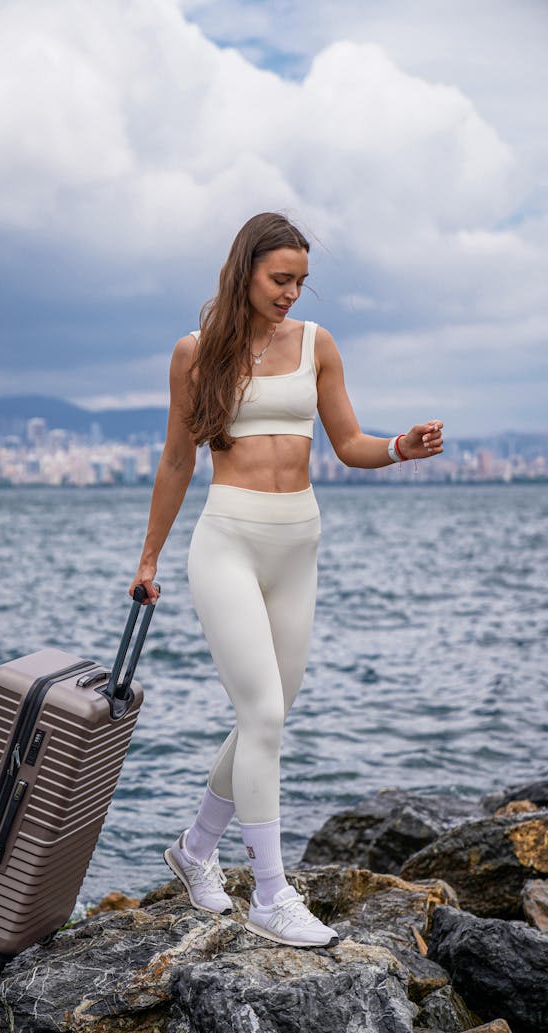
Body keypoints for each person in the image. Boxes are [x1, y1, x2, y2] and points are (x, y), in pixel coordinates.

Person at [129, 212, 443, 948]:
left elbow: (350, 442)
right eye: (280, 279)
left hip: (298, 542)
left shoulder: (316, 346)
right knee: (264, 715)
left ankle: (195, 849)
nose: (292, 295)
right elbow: (177, 461)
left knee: (261, 720)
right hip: (227, 541)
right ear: (245, 272)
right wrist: (148, 560)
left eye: (301, 281)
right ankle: (271, 893)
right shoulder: (195, 353)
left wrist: (400, 446)